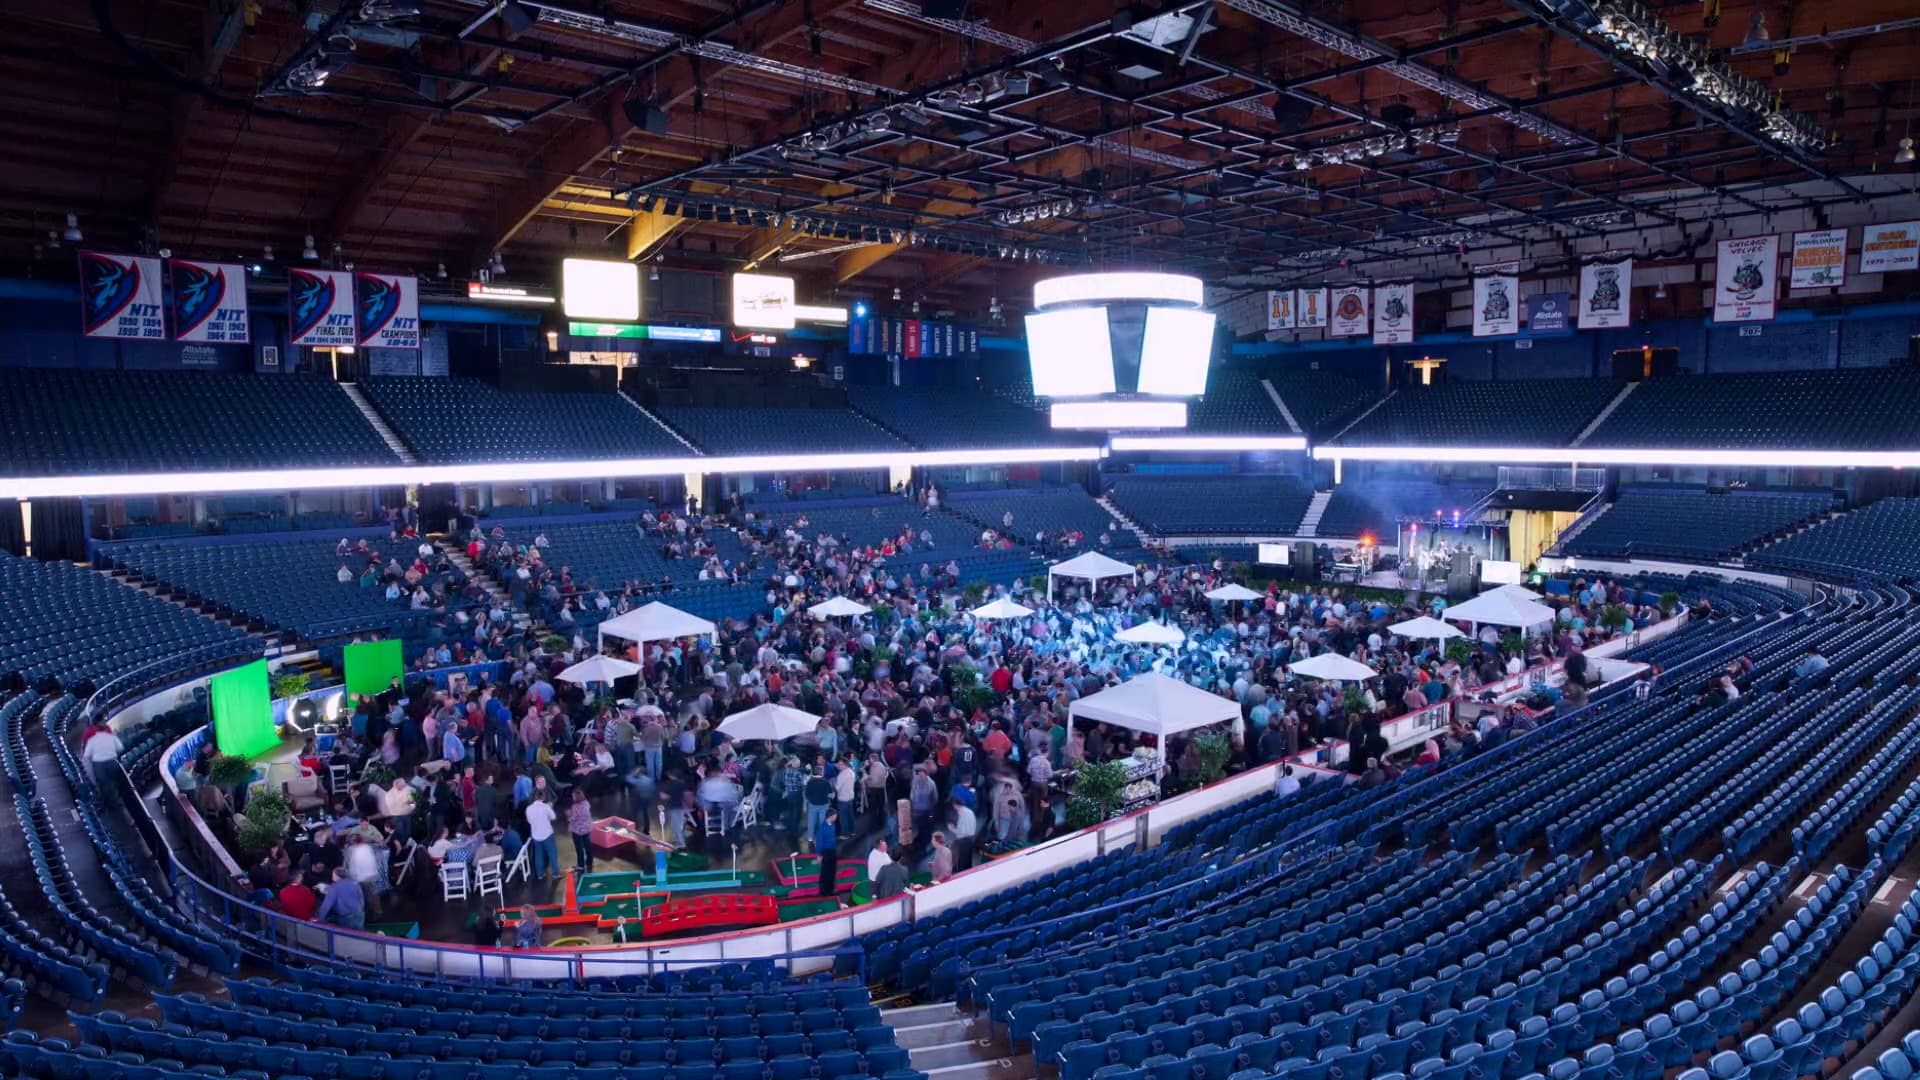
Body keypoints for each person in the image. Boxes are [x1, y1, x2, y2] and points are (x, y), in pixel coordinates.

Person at [81, 722, 124, 807]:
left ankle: (107, 803)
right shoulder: (112, 737)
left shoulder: (92, 740)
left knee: (103, 783)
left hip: (98, 764)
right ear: (105, 729)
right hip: (112, 761)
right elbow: (120, 748)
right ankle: (115, 801)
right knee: (113, 781)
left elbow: (86, 755)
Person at [525, 792, 559, 881]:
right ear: (543, 797)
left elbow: (529, 821)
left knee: (538, 855)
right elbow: (554, 817)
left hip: (536, 835)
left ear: (535, 797)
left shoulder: (528, 809)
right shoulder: (546, 807)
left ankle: (540, 874)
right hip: (547, 834)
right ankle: (555, 873)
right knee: (552, 854)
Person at [567, 788, 595, 874]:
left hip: (577, 831)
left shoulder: (575, 807)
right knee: (587, 845)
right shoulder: (586, 803)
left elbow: (573, 819)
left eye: (573, 796)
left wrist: (568, 815)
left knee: (579, 848)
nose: (572, 797)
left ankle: (581, 865)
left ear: (576, 797)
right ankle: (589, 862)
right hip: (586, 829)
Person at [814, 808, 839, 898]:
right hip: (826, 852)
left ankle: (830, 889)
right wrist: (819, 855)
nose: (836, 818)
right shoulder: (822, 828)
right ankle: (823, 891)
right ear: (831, 816)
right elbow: (819, 842)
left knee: (832, 871)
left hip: (833, 851)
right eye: (835, 816)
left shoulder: (833, 825)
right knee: (825, 873)